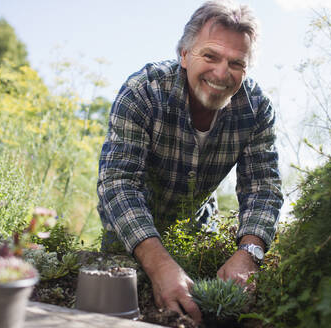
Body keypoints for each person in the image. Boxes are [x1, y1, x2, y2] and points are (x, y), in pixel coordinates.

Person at [97, 0, 283, 323]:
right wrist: (160, 266)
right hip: (129, 240)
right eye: (210, 56)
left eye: (236, 63)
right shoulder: (143, 93)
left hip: (197, 234)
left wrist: (248, 254)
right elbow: (118, 185)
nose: (221, 73)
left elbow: (263, 189)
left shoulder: (256, 110)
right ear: (184, 54)